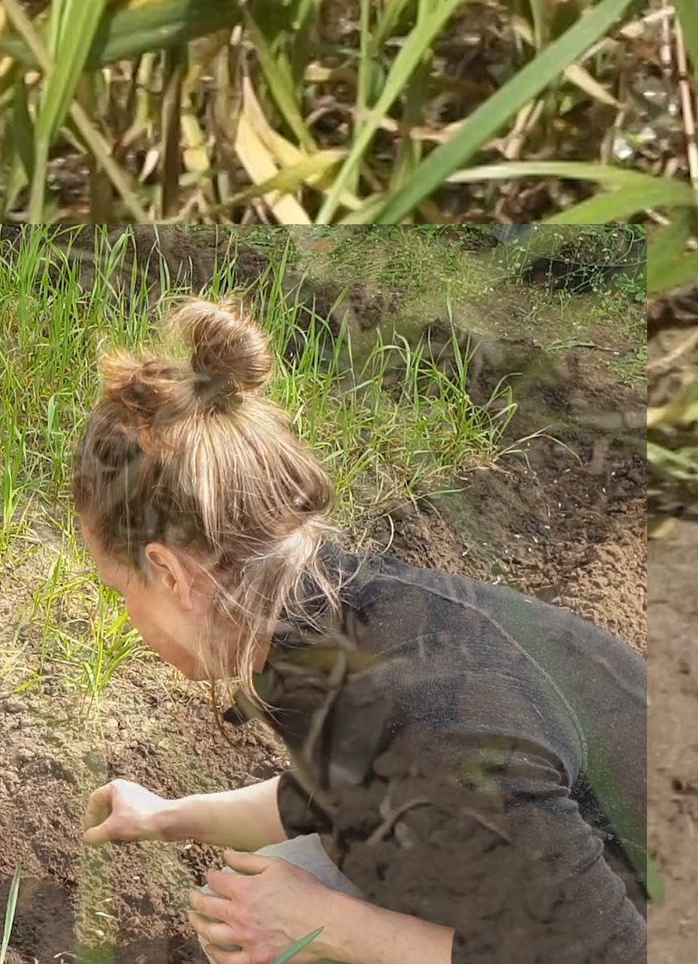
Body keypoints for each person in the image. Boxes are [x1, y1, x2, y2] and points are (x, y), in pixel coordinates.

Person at [74, 299, 646, 964]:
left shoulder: (429, 715)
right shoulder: (329, 622)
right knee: (256, 908)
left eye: (121, 591)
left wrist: (326, 924)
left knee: (284, 932)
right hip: (590, 885)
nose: (126, 616)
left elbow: (609, 953)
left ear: (172, 575)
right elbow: (344, 792)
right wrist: (169, 815)